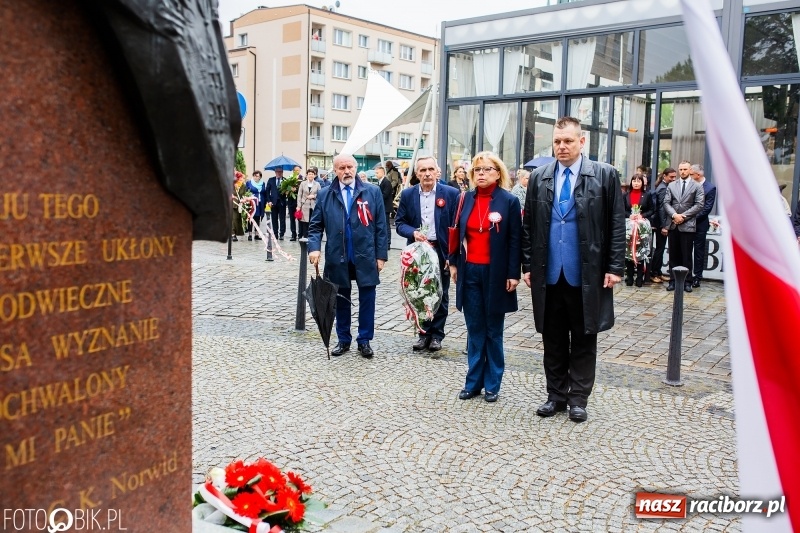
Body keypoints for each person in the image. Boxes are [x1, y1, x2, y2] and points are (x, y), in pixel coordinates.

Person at [521, 116, 625, 422]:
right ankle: (555, 395)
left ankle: (578, 398)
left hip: (587, 274)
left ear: (582, 142)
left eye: (568, 140)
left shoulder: (604, 175)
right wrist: (528, 265)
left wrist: (615, 266)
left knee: (583, 337)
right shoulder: (540, 177)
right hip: (549, 272)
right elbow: (529, 227)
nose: (562, 146)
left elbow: (616, 224)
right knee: (552, 338)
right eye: (557, 141)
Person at [449, 151, 521, 403]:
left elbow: (515, 240)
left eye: (487, 169)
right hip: (470, 270)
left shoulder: (508, 201)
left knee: (493, 330)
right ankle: (473, 382)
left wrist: (514, 273)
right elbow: (456, 232)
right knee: (474, 328)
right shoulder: (464, 199)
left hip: (496, 273)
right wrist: (454, 263)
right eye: (477, 170)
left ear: (498, 173)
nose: (481, 173)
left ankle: (493, 383)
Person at [308, 154, 388, 358]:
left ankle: (364, 340)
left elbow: (381, 226)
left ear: (356, 167)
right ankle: (343, 339)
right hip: (337, 256)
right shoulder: (326, 194)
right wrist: (314, 248)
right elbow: (316, 226)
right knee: (340, 298)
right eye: (342, 167)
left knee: (367, 298)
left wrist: (381, 255)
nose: (347, 171)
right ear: (335, 170)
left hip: (365, 255)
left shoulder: (372, 191)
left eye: (350, 167)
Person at [395, 156, 459, 352]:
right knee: (419, 292)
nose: (427, 174)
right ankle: (423, 333)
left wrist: (451, 255)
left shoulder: (451, 193)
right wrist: (412, 233)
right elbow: (399, 223)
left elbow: (457, 226)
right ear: (416, 174)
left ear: (438, 172)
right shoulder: (408, 195)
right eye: (422, 170)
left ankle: (437, 335)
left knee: (440, 292)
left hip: (441, 250)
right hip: (418, 251)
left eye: (431, 169)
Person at [663, 160, 704, 293]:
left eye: (685, 169)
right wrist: (675, 215)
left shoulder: (697, 186)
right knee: (673, 255)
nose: (683, 172)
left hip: (688, 224)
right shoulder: (671, 185)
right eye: (680, 169)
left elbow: (699, 205)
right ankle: (673, 281)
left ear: (689, 170)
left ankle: (687, 282)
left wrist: (683, 216)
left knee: (686, 255)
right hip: (674, 224)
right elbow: (666, 203)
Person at [622, 173, 654, 287]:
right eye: (634, 181)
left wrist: (642, 215)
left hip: (641, 227)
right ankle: (629, 277)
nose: (636, 183)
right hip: (628, 227)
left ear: (643, 183)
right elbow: (621, 209)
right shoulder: (625, 195)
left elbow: (651, 210)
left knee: (640, 251)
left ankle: (639, 278)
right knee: (628, 251)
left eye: (638, 181)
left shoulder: (647, 195)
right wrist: (628, 216)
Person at [690, 164, 717, 288]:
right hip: (687, 223)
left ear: (698, 175)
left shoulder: (710, 188)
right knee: (687, 250)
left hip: (700, 224)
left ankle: (697, 277)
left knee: (699, 252)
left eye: (691, 174)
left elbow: (707, 208)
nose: (689, 176)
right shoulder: (690, 185)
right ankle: (687, 275)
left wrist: (691, 217)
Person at [648, 167, 676, 283]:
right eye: (671, 177)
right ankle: (654, 272)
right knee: (659, 249)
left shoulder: (663, 186)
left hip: (659, 222)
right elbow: (662, 208)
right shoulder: (663, 188)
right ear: (664, 176)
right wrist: (665, 226)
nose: (674, 179)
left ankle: (657, 272)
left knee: (660, 248)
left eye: (675, 177)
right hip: (660, 223)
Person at [296, 168, 321, 239]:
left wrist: (313, 196)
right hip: (304, 206)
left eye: (312, 174)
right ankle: (304, 236)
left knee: (312, 222)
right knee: (304, 222)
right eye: (309, 174)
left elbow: (320, 194)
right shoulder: (303, 183)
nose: (311, 175)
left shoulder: (317, 184)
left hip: (313, 206)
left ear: (314, 175)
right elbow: (299, 195)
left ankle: (311, 236)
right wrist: (298, 206)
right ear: (307, 175)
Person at [245, 170, 268, 240]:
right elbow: (246, 192)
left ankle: (256, 234)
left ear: (260, 177)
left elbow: (264, 193)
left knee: (257, 218)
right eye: (254, 175)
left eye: (257, 176)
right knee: (251, 218)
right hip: (252, 203)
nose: (255, 177)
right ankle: (249, 234)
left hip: (260, 203)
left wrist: (266, 202)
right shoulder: (249, 183)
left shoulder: (263, 183)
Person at [265, 167, 288, 240]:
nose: (279, 173)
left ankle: (282, 234)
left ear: (282, 172)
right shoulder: (271, 180)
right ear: (275, 172)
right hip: (273, 202)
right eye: (278, 172)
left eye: (280, 172)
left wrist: (288, 191)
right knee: (274, 219)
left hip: (282, 202)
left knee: (282, 219)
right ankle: (275, 233)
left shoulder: (285, 180)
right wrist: (269, 201)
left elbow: (289, 190)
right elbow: (267, 191)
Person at [377, 166, 394, 249]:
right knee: (383, 224)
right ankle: (385, 242)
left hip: (386, 207)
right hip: (383, 206)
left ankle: (388, 243)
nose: (376, 175)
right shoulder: (380, 182)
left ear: (383, 173)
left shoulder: (386, 182)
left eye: (378, 173)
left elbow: (385, 194)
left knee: (386, 225)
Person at [287, 165, 302, 241]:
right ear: (293, 171)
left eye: (298, 170)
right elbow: (286, 187)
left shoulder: (302, 179)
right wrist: (290, 188)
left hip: (299, 202)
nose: (296, 172)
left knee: (300, 218)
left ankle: (300, 234)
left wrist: (296, 189)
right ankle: (293, 234)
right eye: (295, 170)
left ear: (300, 171)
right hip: (291, 201)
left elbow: (303, 189)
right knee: (292, 219)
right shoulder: (289, 178)